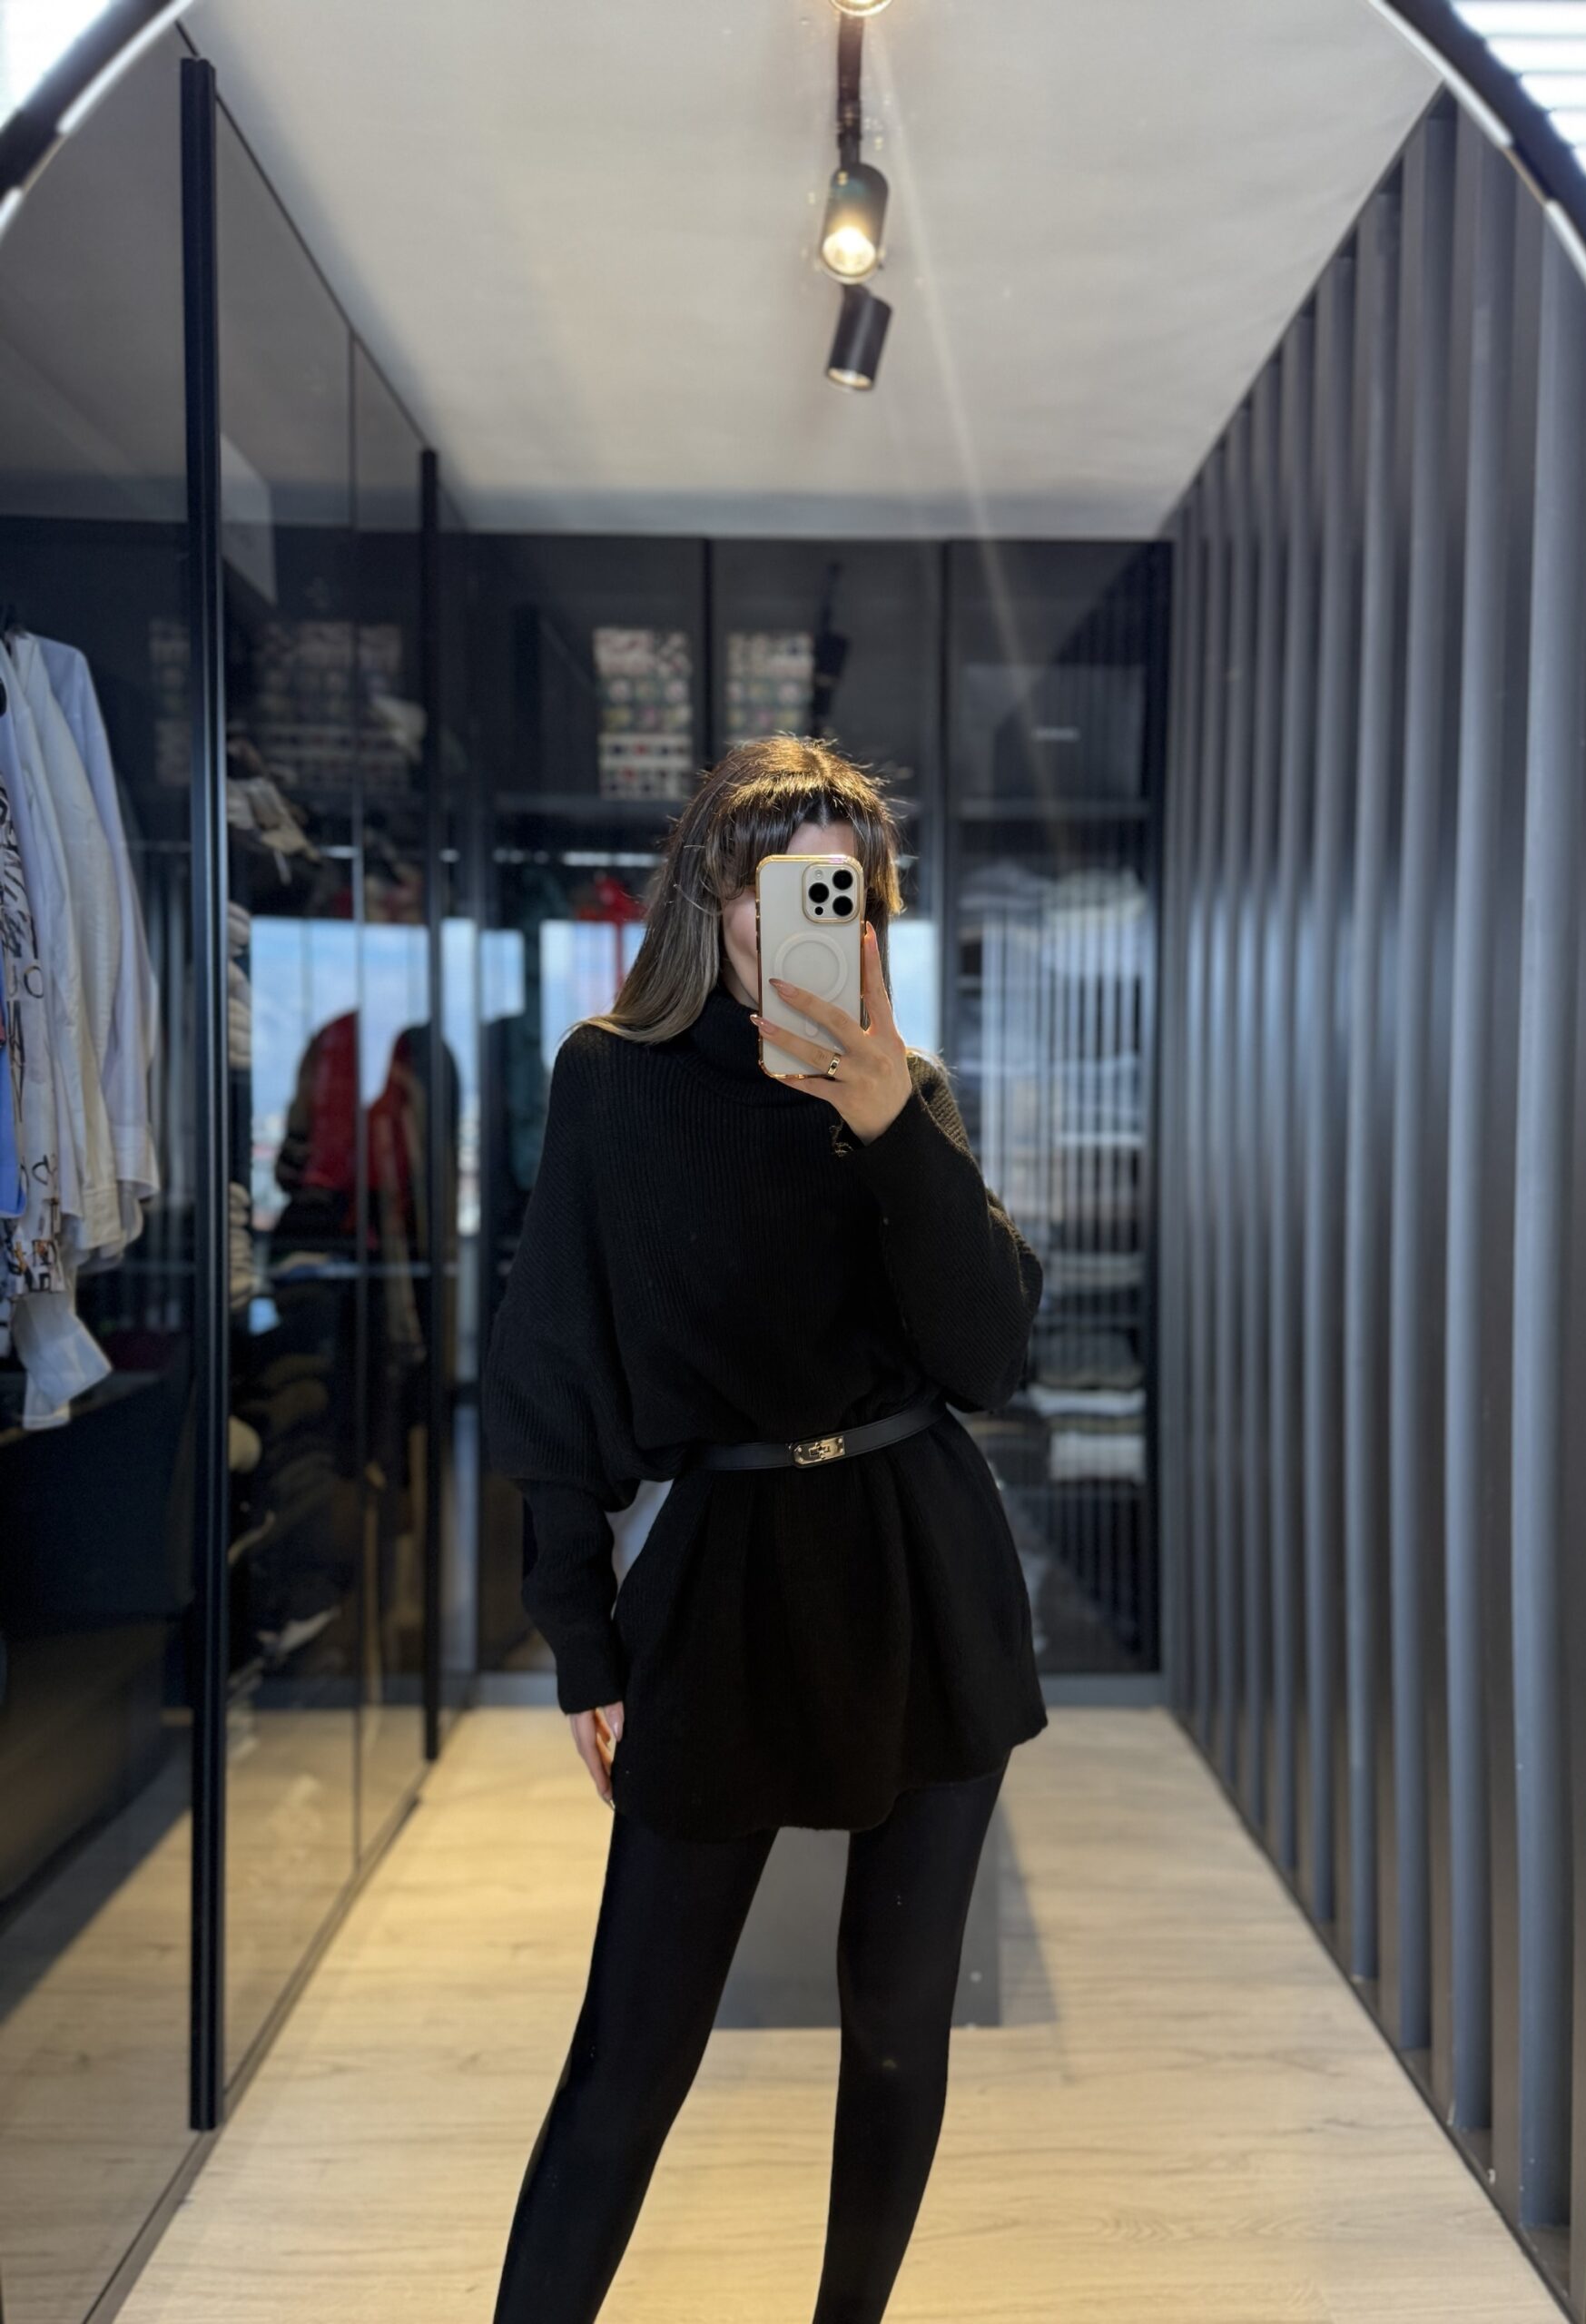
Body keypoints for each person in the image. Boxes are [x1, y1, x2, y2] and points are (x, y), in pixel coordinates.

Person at [481, 735, 1049, 2323]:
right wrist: (580, 1635)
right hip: (723, 1584)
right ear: (710, 899)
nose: (800, 916)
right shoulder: (613, 1081)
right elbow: (552, 1376)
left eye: (837, 892)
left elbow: (989, 1357)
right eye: (773, 887)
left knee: (897, 2027)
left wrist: (893, 1126)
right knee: (630, 2052)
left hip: (921, 1568)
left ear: (870, 915)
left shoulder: (905, 1094)